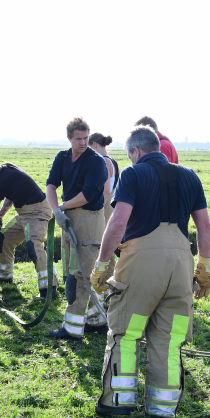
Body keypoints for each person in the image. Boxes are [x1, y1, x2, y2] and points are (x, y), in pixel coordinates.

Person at [90, 125, 210, 418]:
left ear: (136, 152)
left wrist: (102, 264)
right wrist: (204, 267)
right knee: (170, 339)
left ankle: (118, 402)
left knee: (126, 332)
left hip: (141, 260)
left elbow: (118, 222)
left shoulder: (133, 174)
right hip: (181, 262)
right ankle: (163, 409)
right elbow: (205, 227)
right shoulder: (190, 175)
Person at [46, 117, 108, 340]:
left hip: (89, 219)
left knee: (80, 273)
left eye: (86, 138)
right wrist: (56, 211)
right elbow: (51, 184)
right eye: (79, 139)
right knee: (71, 271)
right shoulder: (62, 157)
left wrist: (62, 206)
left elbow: (88, 195)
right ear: (69, 138)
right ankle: (97, 320)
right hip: (68, 218)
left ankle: (72, 328)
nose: (83, 143)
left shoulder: (96, 161)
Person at [0, 157, 59, 299]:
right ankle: (4, 276)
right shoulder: (7, 169)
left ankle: (49, 289)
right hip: (24, 214)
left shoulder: (2, 181)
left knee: (34, 245)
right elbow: (10, 197)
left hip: (38, 213)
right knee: (4, 237)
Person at [86, 132, 120, 325]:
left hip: (104, 207)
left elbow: (105, 190)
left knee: (104, 247)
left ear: (95, 145)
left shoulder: (103, 161)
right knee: (109, 246)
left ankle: (107, 287)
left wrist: (97, 208)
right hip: (111, 206)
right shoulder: (112, 161)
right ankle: (110, 287)